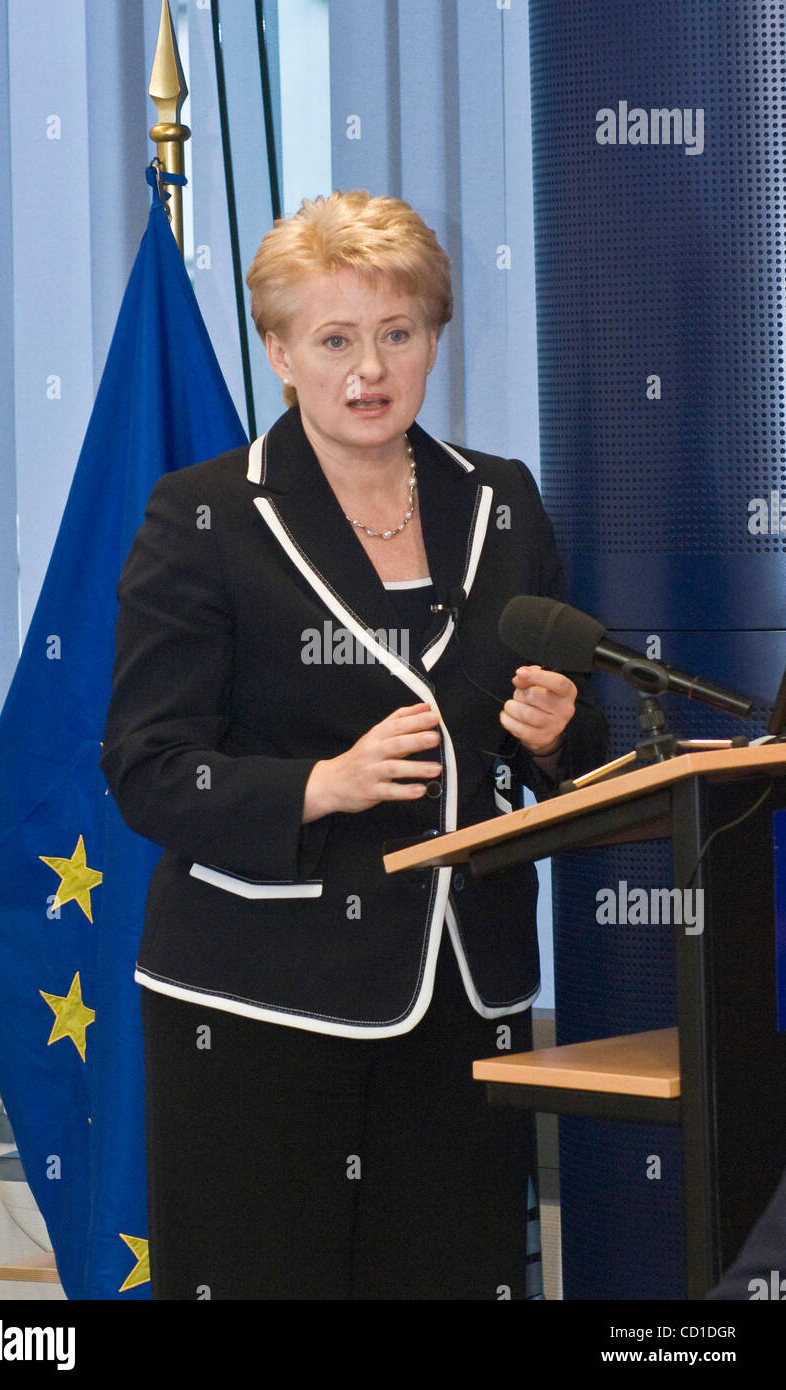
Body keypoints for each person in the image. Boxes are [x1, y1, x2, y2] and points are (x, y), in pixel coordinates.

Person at [100, 190, 609, 1300]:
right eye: (333, 339)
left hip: (464, 992)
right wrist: (317, 787)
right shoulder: (202, 518)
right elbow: (144, 763)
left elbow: (582, 735)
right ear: (279, 352)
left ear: (433, 337)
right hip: (259, 1004)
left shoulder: (503, 504)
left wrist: (559, 734)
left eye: (396, 334)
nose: (367, 370)